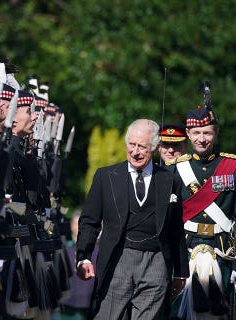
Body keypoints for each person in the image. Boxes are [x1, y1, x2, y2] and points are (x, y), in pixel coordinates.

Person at [76, 118, 188, 319]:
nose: (135, 152)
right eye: (132, 145)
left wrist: (180, 272)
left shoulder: (170, 181)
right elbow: (89, 221)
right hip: (117, 259)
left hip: (156, 262)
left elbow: (176, 229)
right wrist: (83, 256)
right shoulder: (105, 176)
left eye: (142, 147)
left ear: (154, 148)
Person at [173, 107, 236, 320]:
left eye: (207, 133)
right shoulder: (176, 169)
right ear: (188, 135)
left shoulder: (235, 167)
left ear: (216, 133)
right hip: (185, 251)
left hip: (222, 251)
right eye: (196, 133)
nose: (202, 139)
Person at [56, 211, 99, 320]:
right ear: (71, 226)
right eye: (76, 224)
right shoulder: (63, 249)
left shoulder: (96, 249)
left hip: (87, 304)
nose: (79, 227)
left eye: (82, 224)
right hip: (65, 304)